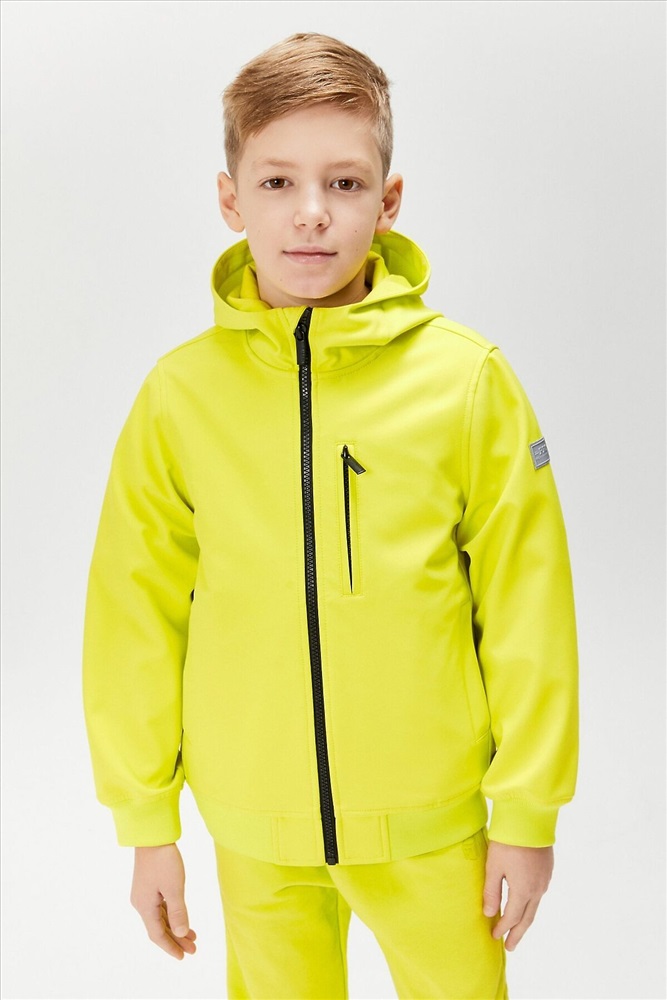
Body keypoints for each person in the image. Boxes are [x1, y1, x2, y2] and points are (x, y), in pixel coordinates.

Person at [83, 32, 578, 1000]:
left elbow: (528, 606)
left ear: (387, 200)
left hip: (432, 820)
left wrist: (526, 811)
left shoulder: (466, 381)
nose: (310, 212)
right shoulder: (179, 397)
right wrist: (147, 824)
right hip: (251, 823)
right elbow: (134, 617)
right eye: (276, 182)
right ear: (230, 198)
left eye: (344, 183)